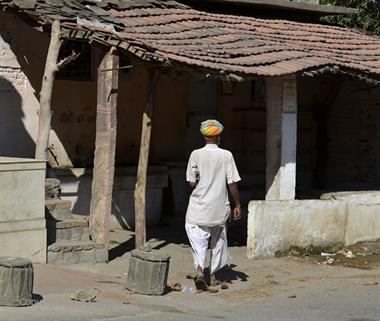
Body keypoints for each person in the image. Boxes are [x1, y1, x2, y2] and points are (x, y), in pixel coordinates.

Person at [185, 119, 241, 291]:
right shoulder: (226, 155)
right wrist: (237, 204)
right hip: (219, 207)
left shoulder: (196, 154)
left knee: (198, 239)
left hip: (199, 207)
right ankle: (213, 276)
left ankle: (200, 270)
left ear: (204, 136)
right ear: (219, 136)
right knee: (217, 242)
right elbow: (232, 183)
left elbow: (191, 183)